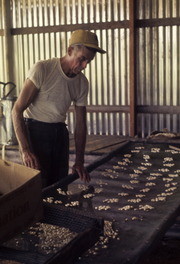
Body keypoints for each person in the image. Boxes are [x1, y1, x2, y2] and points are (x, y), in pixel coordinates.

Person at [12, 29, 106, 188]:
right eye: (82, 59)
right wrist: (25, 150)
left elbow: (80, 124)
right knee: (37, 186)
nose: (84, 66)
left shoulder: (82, 83)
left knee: (59, 186)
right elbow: (16, 110)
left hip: (59, 134)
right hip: (35, 132)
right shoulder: (43, 69)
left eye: (88, 62)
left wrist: (79, 161)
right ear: (70, 51)